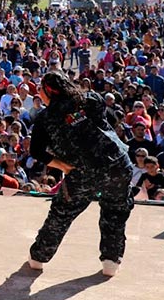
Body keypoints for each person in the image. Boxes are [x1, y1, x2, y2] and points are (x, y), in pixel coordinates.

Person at [27, 71, 134, 277]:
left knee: (61, 214)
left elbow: (36, 151)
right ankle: (111, 262)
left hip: (84, 173)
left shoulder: (45, 118)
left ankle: (38, 258)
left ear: (48, 91)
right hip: (117, 165)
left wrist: (63, 166)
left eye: (40, 88)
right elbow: (106, 118)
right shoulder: (91, 99)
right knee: (115, 212)